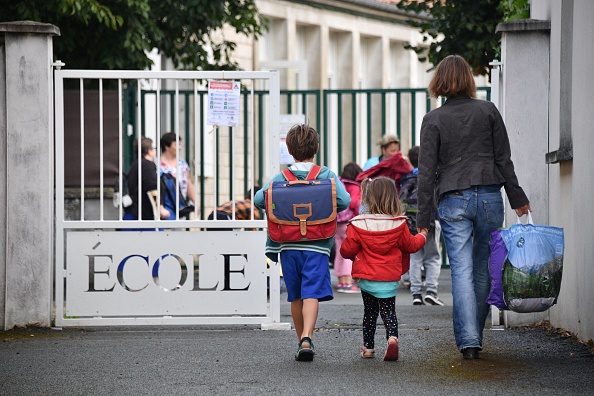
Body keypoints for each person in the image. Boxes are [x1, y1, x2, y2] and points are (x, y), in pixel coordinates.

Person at [417, 55, 531, 360]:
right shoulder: (488, 111)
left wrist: (423, 218)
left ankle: (469, 342)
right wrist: (518, 198)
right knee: (483, 269)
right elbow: (503, 160)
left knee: (462, 270)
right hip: (491, 196)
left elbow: (426, 172)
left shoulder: (433, 120)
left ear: (439, 82)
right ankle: (474, 334)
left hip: (454, 198)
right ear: (468, 79)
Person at [254, 124, 350, 361]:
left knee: (295, 294)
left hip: (287, 244)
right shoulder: (325, 174)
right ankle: (307, 337)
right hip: (317, 244)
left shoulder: (281, 177)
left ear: (289, 149)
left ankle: (301, 341)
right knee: (312, 293)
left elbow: (259, 199)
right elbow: (345, 200)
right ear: (315, 148)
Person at [340, 177, 427, 361]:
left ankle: (368, 348)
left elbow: (347, 250)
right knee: (389, 312)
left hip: (367, 278)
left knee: (370, 313)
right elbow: (411, 245)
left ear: (369, 197)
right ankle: (392, 338)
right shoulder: (399, 224)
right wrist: (423, 235)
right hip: (389, 277)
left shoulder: (358, 224)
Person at [402, 146, 444, 306]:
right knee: (433, 257)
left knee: (415, 258)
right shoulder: (434, 177)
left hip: (411, 224)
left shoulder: (407, 180)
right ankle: (432, 291)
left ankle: (416, 294)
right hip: (432, 222)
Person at [123, 137, 170, 222]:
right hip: (144, 216)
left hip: (133, 213)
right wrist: (160, 208)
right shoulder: (147, 166)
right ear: (149, 151)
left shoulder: (136, 164)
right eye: (154, 149)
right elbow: (152, 188)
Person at [334, 162, 363, 293]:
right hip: (348, 222)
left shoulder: (339, 184)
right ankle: (348, 281)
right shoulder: (354, 186)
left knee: (340, 251)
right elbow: (354, 203)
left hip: (336, 222)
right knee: (349, 252)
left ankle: (340, 280)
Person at [159, 132, 197, 220]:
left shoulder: (182, 164)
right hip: (163, 208)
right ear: (167, 147)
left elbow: (189, 184)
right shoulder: (156, 164)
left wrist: (195, 201)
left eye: (180, 145)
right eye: (176, 145)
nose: (180, 148)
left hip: (179, 208)